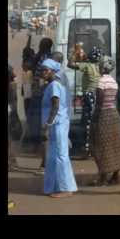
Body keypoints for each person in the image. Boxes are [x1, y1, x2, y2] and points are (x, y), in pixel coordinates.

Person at [40, 59, 78, 198]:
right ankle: (54, 186)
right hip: (57, 124)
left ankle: (66, 188)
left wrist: (47, 125)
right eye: (42, 70)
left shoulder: (55, 85)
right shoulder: (54, 84)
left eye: (46, 70)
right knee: (53, 156)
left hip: (57, 124)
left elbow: (55, 106)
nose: (43, 73)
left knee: (61, 156)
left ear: (53, 71)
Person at [90, 56, 120, 186]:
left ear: (102, 67)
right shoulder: (113, 81)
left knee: (100, 147)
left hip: (103, 117)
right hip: (113, 115)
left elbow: (100, 102)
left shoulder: (101, 82)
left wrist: (95, 118)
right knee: (115, 146)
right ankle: (115, 176)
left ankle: (103, 178)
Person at [68, 47, 102, 156]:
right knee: (95, 122)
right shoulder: (99, 67)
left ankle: (87, 149)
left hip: (88, 96)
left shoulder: (87, 66)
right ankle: (95, 147)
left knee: (87, 122)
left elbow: (70, 65)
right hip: (98, 95)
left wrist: (74, 53)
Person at [31, 38, 53, 173]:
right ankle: (45, 163)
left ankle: (45, 164)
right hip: (44, 96)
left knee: (44, 132)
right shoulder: (48, 59)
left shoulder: (39, 58)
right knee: (46, 132)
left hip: (39, 97)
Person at [8, 64, 20, 171]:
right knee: (10, 138)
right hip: (10, 112)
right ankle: (11, 162)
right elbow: (13, 102)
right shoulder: (12, 85)